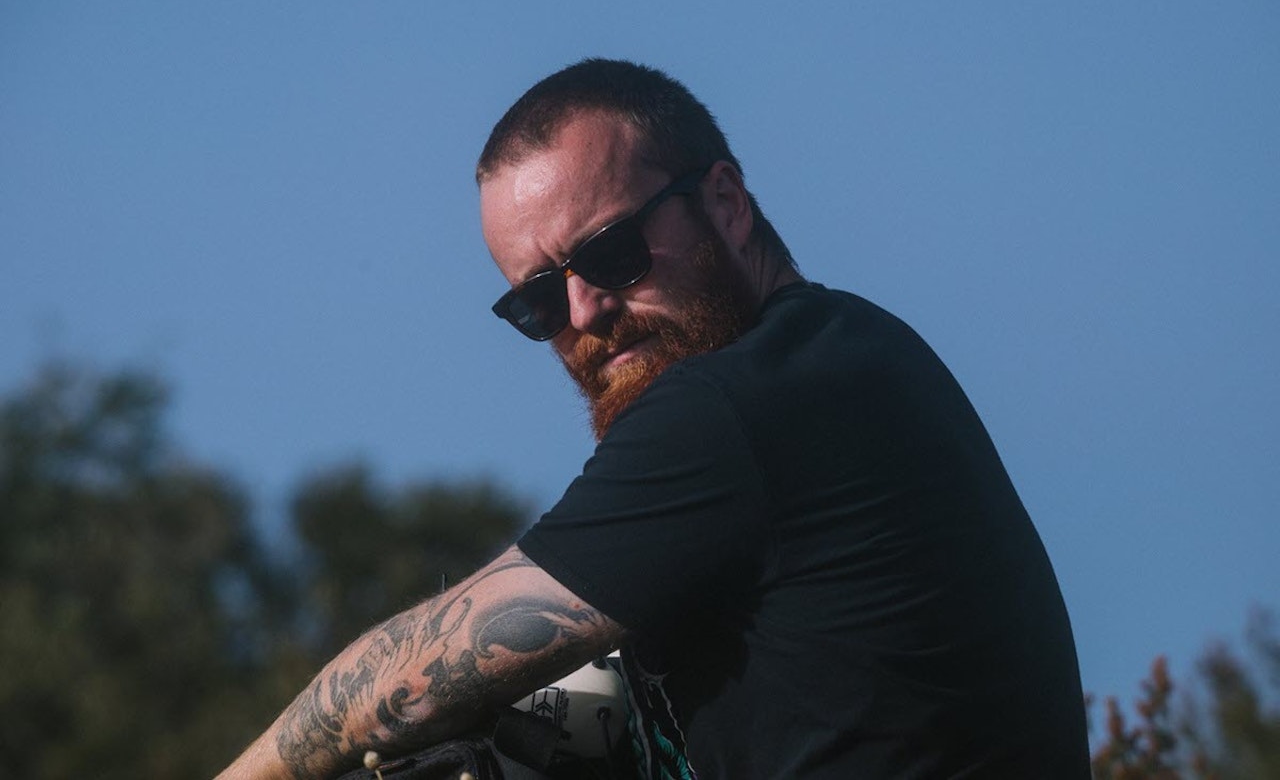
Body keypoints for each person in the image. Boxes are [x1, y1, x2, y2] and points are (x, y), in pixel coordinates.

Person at [217, 59, 1090, 779]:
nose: (584, 311)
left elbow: (416, 670)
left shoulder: (747, 401)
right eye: (536, 301)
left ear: (726, 202)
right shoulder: (843, 359)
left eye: (611, 253)